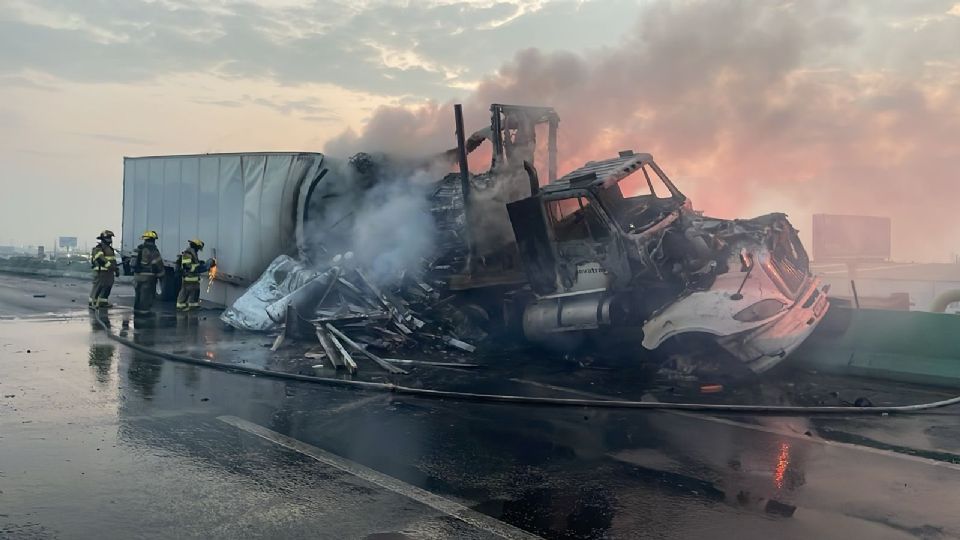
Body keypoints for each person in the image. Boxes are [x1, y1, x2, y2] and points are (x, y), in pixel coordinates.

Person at [175, 238, 215, 311]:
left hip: (192, 278)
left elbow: (192, 263)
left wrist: (200, 263)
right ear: (196, 246)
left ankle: (191, 306)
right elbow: (187, 266)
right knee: (187, 292)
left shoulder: (192, 252)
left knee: (193, 292)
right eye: (199, 248)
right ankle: (181, 306)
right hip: (189, 277)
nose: (199, 250)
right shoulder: (188, 253)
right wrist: (204, 266)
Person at [132, 230, 164, 315]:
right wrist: (161, 274)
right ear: (153, 240)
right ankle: (144, 315)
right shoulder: (153, 250)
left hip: (137, 276)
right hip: (148, 277)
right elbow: (158, 263)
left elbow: (132, 263)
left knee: (138, 294)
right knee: (146, 296)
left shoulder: (138, 248)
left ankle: (136, 313)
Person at [89, 230, 120, 308]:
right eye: (108, 237)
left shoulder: (110, 249)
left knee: (107, 287)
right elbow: (100, 259)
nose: (110, 239)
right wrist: (110, 266)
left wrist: (116, 269)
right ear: (103, 238)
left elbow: (113, 260)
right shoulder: (98, 248)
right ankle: (92, 303)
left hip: (109, 272)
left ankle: (103, 302)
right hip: (100, 272)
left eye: (110, 237)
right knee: (98, 287)